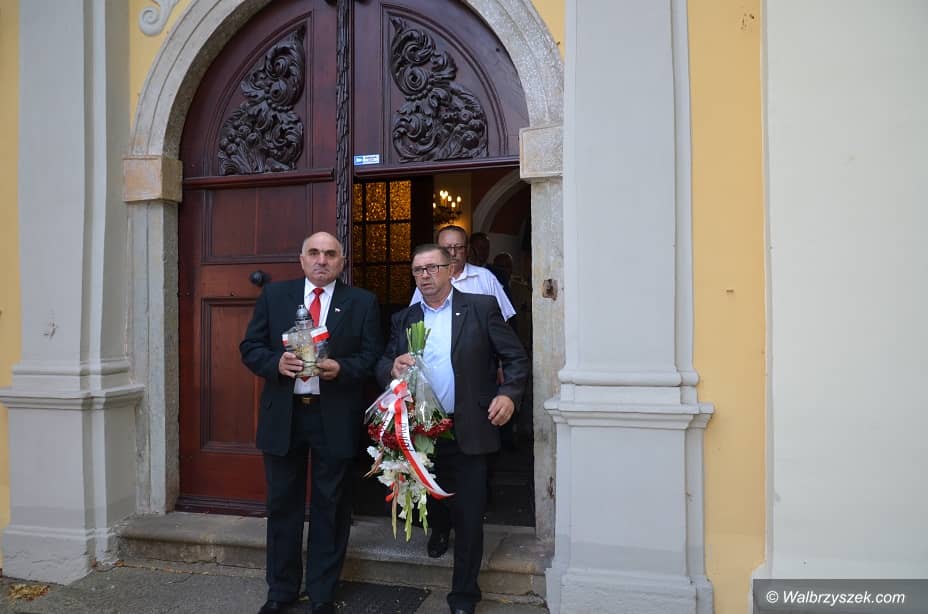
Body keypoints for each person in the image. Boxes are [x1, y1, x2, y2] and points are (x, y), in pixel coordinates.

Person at [377, 244, 528, 614]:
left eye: (432, 268)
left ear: (449, 269)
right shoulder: (405, 318)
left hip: (469, 426)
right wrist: (391, 368)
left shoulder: (479, 307)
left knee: (470, 514)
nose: (425, 276)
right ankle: (439, 530)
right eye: (418, 270)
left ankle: (463, 597)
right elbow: (382, 362)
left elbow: (515, 357)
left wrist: (508, 395)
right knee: (434, 500)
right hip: (422, 430)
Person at [241, 232, 382, 614]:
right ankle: (281, 591)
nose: (322, 260)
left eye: (330, 254)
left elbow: (372, 356)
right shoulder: (275, 296)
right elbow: (250, 347)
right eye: (314, 253)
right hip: (285, 416)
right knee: (282, 505)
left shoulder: (362, 302)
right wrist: (275, 363)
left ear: (342, 261)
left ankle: (322, 593)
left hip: (333, 415)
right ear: (302, 259)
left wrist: (343, 368)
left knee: (331, 506)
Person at [410, 226, 515, 321]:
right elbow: (413, 320)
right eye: (447, 248)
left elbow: (503, 320)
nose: (453, 253)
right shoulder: (427, 279)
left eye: (459, 247)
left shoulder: (485, 277)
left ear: (467, 249)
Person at [468, 231, 510, 296]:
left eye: (486, 247)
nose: (483, 251)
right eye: (480, 247)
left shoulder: (498, 274)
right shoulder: (461, 271)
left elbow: (506, 298)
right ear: (470, 249)